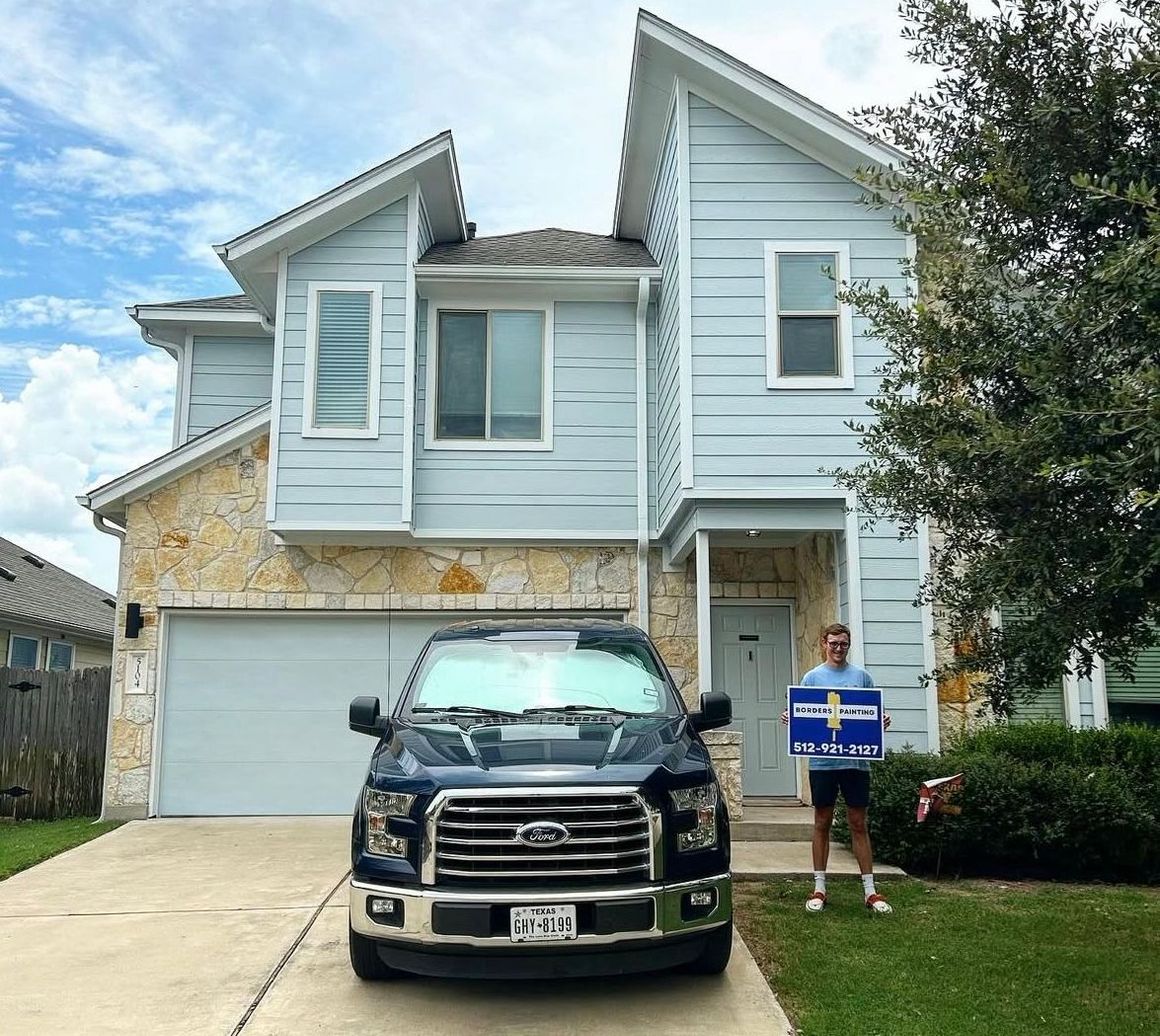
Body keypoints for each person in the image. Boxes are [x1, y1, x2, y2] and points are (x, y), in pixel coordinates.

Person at [781, 622, 893, 915]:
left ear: (848, 645)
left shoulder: (862, 677)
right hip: (823, 764)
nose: (838, 649)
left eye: (843, 644)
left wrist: (881, 722)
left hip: (856, 763)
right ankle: (819, 887)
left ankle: (870, 890)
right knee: (822, 821)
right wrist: (791, 716)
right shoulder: (812, 678)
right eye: (833, 643)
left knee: (858, 823)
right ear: (823, 644)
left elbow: (872, 714)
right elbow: (804, 713)